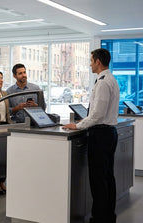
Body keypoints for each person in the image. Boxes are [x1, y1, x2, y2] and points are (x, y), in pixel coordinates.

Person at [63, 48, 119, 223]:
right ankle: (108, 215)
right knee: (107, 176)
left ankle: (100, 217)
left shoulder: (103, 82)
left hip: (101, 134)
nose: (90, 63)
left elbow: (97, 115)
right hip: (108, 133)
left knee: (98, 179)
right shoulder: (111, 79)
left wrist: (77, 125)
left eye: (91, 60)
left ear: (98, 62)